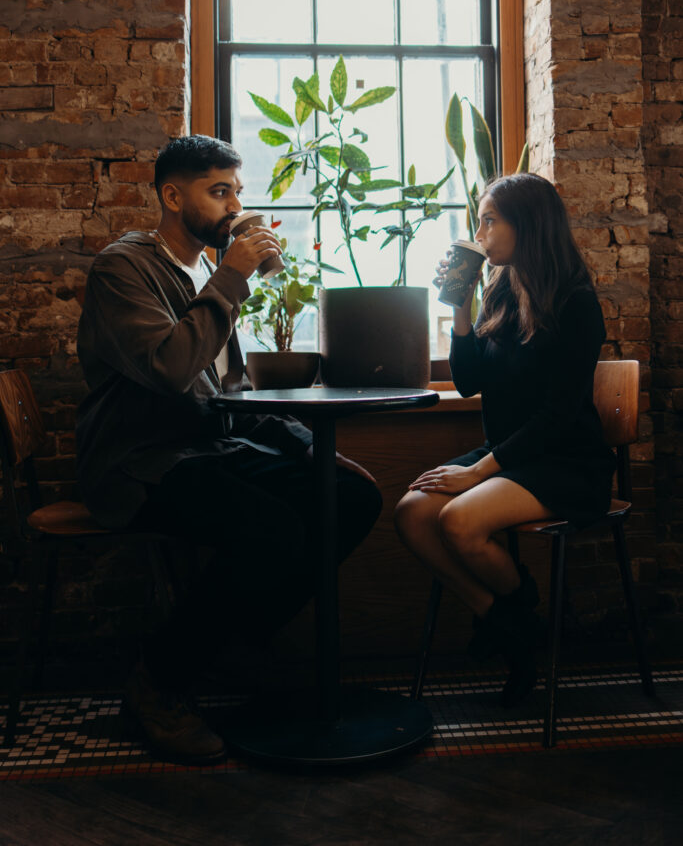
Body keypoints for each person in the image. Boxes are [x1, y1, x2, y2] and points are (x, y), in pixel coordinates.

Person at [76, 134, 382, 764]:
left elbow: (229, 393)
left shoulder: (203, 273)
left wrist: (308, 450)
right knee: (268, 528)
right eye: (219, 192)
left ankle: (235, 645)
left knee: (349, 495)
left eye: (237, 191)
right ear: (171, 195)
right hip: (138, 464)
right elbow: (169, 369)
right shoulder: (123, 269)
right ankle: (158, 682)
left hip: (206, 450)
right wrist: (232, 278)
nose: (235, 206)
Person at [394, 173, 616, 706]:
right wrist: (460, 306)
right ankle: (509, 619)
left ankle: (516, 621)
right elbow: (469, 381)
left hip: (565, 459)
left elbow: (559, 416)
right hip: (511, 456)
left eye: (489, 220)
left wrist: (476, 473)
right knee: (412, 513)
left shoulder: (575, 303)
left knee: (458, 520)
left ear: (528, 226)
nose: (480, 231)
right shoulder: (499, 291)